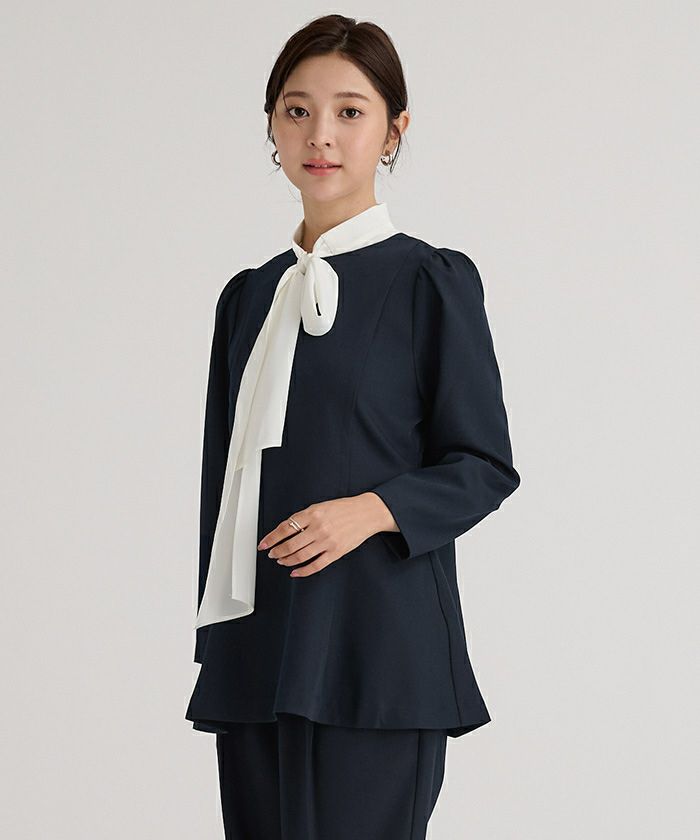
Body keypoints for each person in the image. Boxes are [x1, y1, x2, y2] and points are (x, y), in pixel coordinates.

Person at [185, 13, 521, 840]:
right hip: (260, 650)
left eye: (349, 111)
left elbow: (482, 464)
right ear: (272, 126)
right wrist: (220, 642)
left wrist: (369, 510)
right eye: (297, 111)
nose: (320, 136)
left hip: (379, 652)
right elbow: (220, 486)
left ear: (394, 130)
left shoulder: (429, 281)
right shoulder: (248, 298)